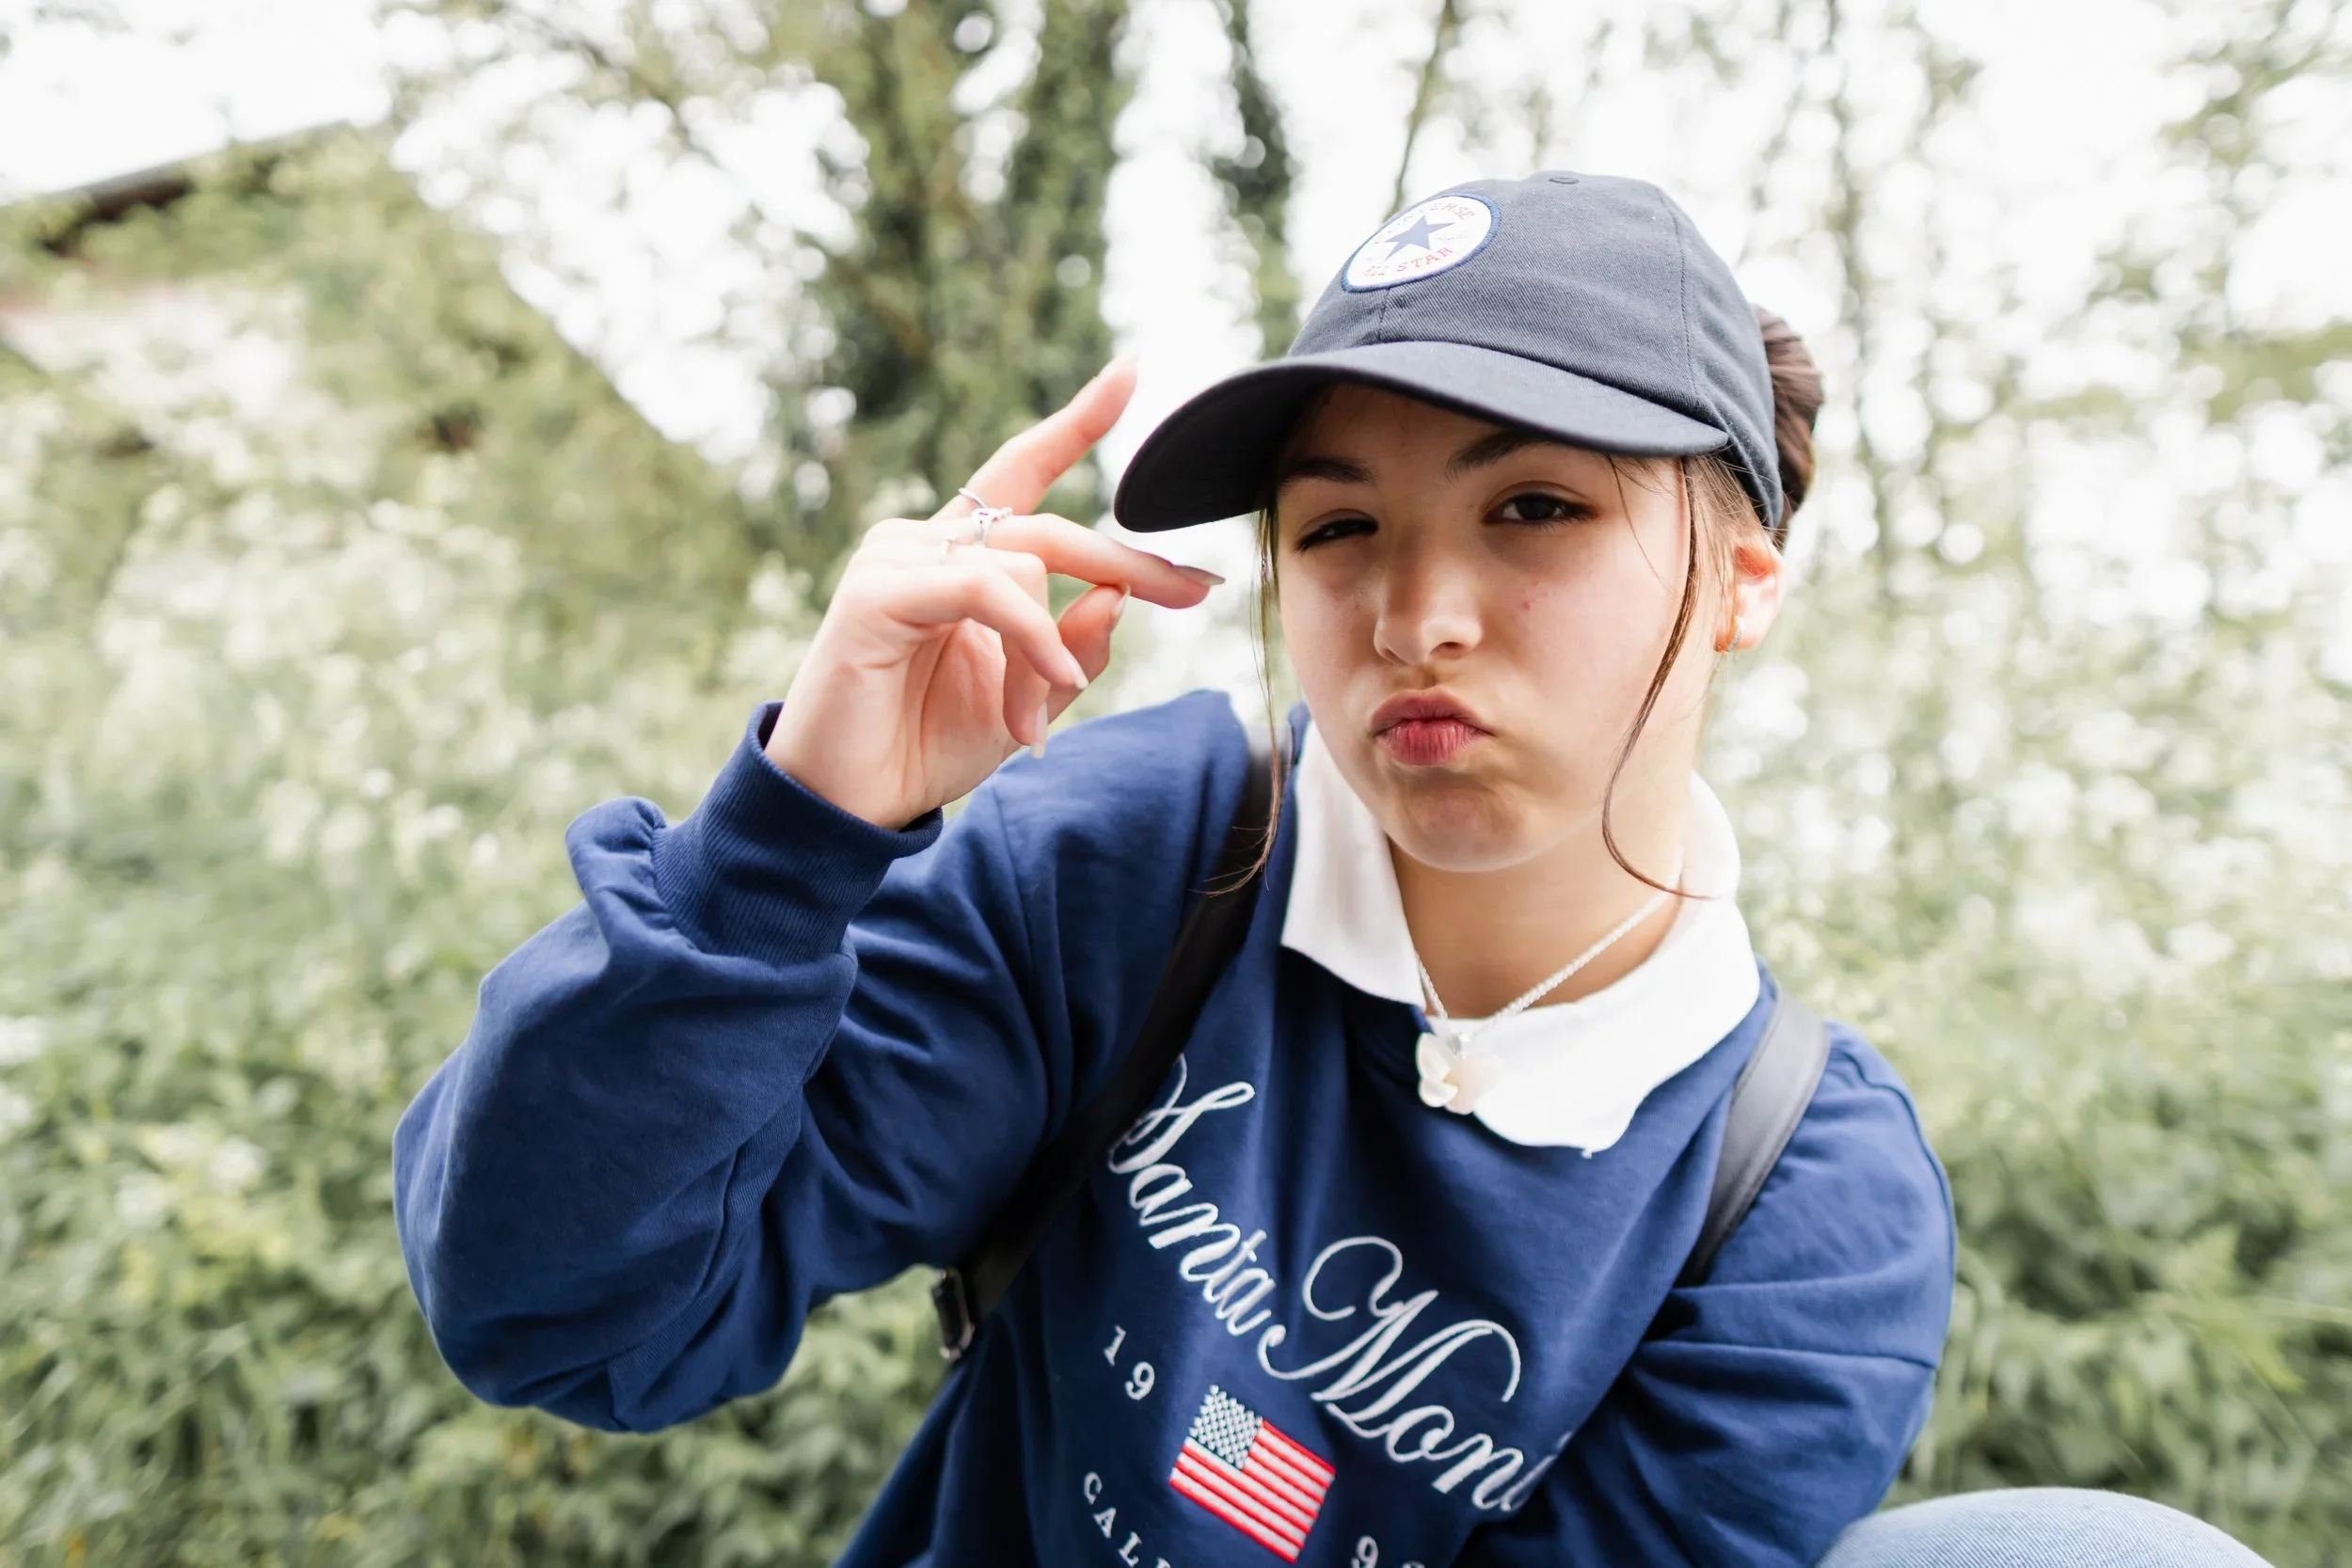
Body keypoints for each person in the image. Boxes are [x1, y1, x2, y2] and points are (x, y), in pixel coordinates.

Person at [390, 174, 2264, 1566]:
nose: (1414, 616)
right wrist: (789, 836)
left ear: (1742, 574)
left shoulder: (1799, 1196)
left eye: (1533, 505)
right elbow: (562, 1308)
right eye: (1338, 525)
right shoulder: (1148, 863)